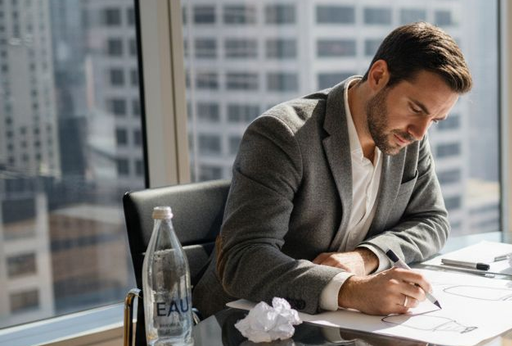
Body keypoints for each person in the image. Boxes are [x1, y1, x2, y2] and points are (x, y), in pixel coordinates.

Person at [194, 22, 472, 318]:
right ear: (379, 76)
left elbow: (432, 220)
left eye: (436, 120)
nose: (420, 132)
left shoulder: (409, 135)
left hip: (338, 328)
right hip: (244, 326)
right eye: (416, 109)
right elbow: (243, 260)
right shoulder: (283, 135)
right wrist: (350, 289)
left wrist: (365, 258)